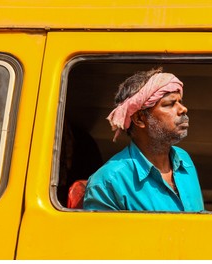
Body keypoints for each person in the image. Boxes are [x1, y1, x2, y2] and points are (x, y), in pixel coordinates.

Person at [83, 68, 204, 212]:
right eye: (169, 104)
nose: (183, 109)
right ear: (139, 118)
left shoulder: (184, 161)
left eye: (180, 102)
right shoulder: (107, 182)